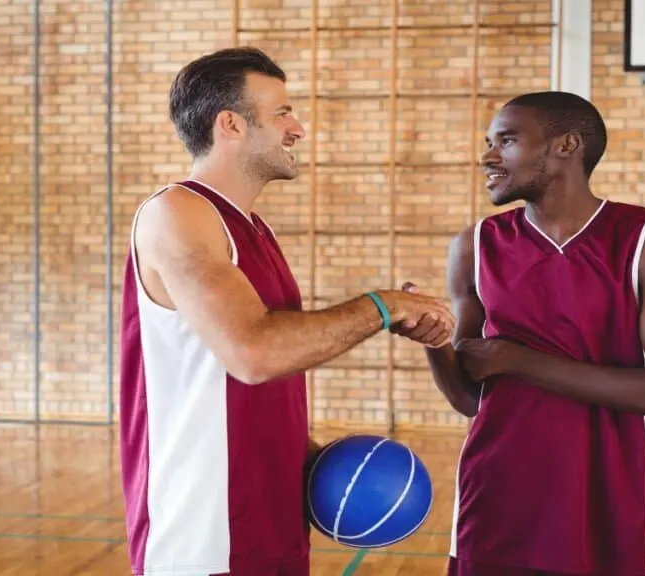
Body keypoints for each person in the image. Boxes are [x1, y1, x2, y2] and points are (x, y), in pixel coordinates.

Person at [117, 47, 456, 576]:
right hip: (205, 539)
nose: (297, 128)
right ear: (230, 124)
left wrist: (319, 461)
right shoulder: (177, 213)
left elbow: (255, 385)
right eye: (282, 113)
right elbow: (254, 353)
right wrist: (384, 306)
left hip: (271, 526)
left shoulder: (252, 228)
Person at [424, 91, 645, 576]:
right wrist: (432, 342)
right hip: (497, 492)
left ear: (567, 146)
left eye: (506, 141)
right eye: (489, 142)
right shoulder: (474, 246)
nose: (488, 155)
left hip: (612, 496)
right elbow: (472, 399)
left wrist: (520, 361)